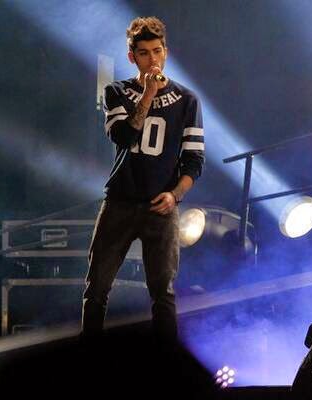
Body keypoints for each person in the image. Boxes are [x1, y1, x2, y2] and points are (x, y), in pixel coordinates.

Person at [81, 16, 204, 340]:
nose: (152, 59)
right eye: (144, 53)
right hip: (120, 202)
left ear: (166, 52)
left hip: (161, 207)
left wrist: (175, 195)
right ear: (132, 57)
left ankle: (166, 363)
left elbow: (194, 161)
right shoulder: (116, 91)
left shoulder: (188, 100)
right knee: (96, 288)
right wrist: (148, 94)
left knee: (163, 293)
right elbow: (122, 136)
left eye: (157, 51)